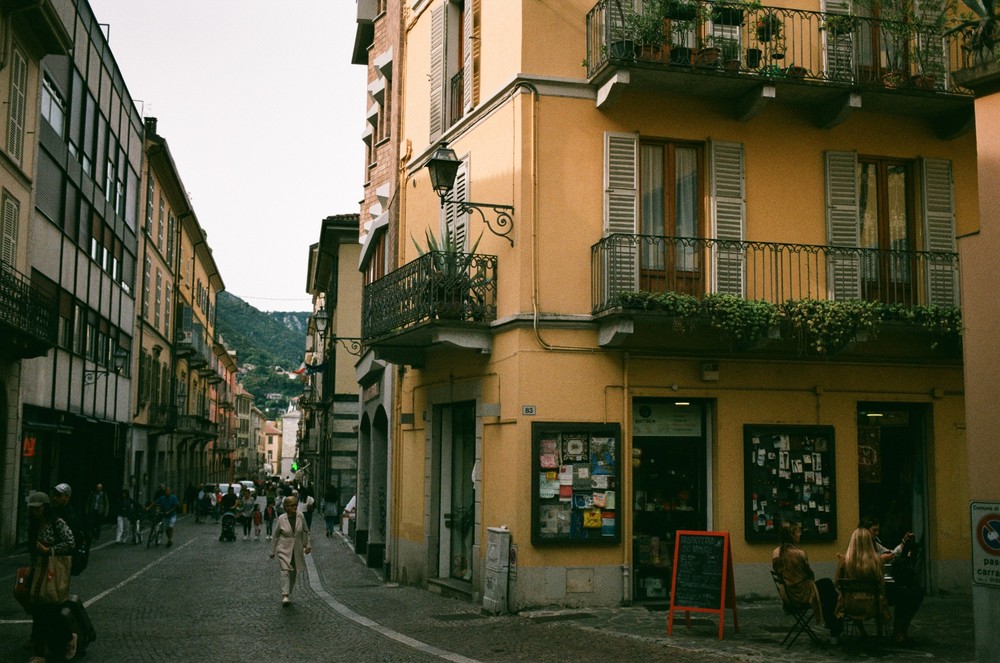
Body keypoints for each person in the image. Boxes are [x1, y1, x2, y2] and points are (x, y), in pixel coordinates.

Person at [26, 490, 77, 662]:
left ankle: (70, 638)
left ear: (45, 508)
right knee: (38, 611)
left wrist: (50, 550)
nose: (35, 512)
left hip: (52, 572)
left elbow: (70, 543)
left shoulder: (57, 523)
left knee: (53, 610)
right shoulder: (33, 525)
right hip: (38, 570)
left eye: (38, 509)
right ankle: (39, 654)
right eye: (32, 509)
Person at [772, 520, 842, 643]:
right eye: (798, 532)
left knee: (827, 589)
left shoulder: (776, 552)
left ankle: (832, 623)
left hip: (788, 594)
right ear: (791, 535)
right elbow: (810, 575)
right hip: (802, 594)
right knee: (828, 589)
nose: (800, 534)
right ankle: (835, 627)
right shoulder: (799, 554)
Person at [861, 516, 924, 644]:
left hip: (878, 588)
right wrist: (880, 560)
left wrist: (903, 542)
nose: (877, 533)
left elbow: (891, 554)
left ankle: (900, 631)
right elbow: (865, 566)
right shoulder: (860, 547)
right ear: (865, 531)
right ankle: (898, 633)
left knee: (915, 592)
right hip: (871, 592)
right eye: (875, 530)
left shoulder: (875, 544)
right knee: (905, 595)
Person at [836, 526, 892, 634]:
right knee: (879, 597)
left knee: (853, 595)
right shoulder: (877, 561)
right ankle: (879, 632)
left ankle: (862, 632)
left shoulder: (845, 561)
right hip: (872, 604)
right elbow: (881, 584)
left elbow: (837, 583)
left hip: (850, 604)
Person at [269, 495, 312, 606]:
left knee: (293, 573)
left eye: (296, 505)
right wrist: (272, 551)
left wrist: (308, 545)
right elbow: (276, 536)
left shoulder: (300, 516)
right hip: (284, 549)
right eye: (292, 505)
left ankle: (288, 592)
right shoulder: (281, 518)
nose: (295, 507)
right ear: (286, 507)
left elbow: (306, 531)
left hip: (296, 549)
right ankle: (285, 595)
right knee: (285, 570)